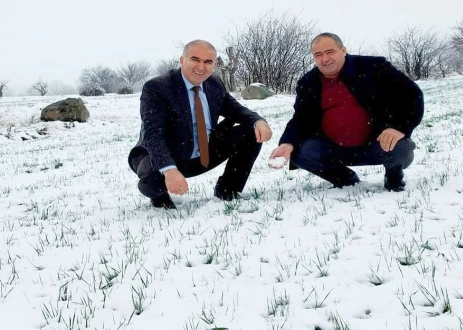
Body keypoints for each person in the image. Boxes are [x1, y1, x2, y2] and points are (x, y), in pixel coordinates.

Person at [269, 32, 424, 191]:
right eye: (318, 55)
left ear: (343, 50)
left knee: (400, 147)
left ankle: (393, 178)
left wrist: (400, 128)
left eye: (330, 52)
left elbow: (413, 95)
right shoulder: (308, 82)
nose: (325, 59)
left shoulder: (373, 67)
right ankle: (345, 179)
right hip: (333, 148)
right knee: (299, 152)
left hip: (377, 144)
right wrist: (286, 143)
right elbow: (301, 117)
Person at [128, 40, 272, 209]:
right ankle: (161, 196)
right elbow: (153, 134)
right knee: (152, 183)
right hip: (166, 155)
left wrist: (259, 121)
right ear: (182, 60)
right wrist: (169, 170)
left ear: (214, 65)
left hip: (205, 152)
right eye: (195, 59)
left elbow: (236, 110)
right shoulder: (158, 87)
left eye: (208, 62)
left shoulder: (214, 84)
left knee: (251, 131)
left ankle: (227, 190)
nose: (201, 67)